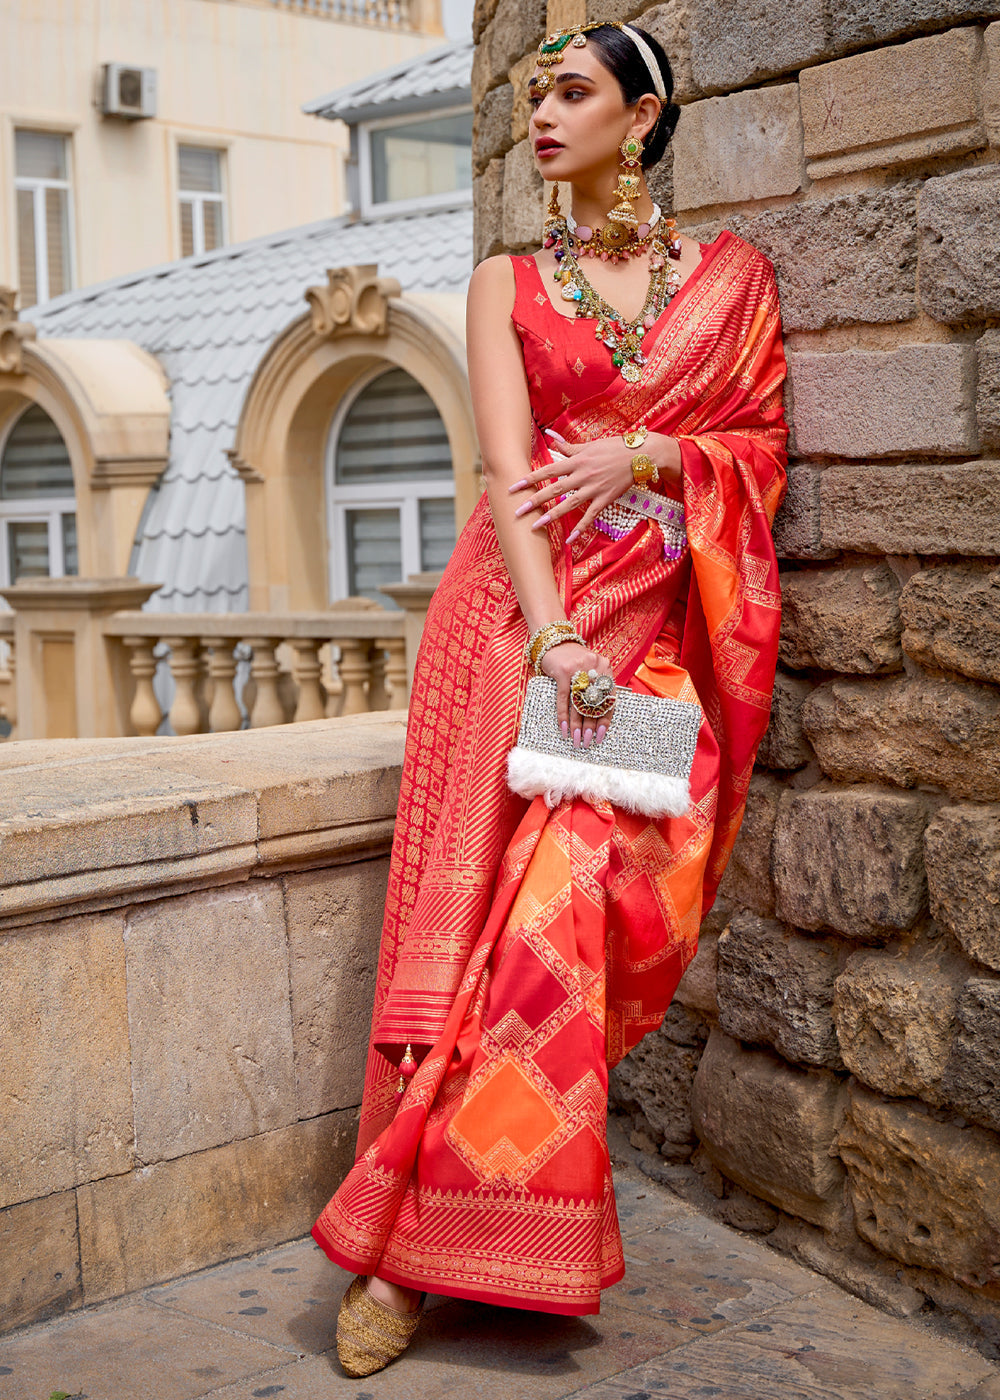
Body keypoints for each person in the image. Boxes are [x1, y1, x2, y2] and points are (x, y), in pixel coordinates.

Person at [312, 19, 788, 1378]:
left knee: (567, 910)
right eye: (532, 94)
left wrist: (649, 450)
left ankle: (442, 1232)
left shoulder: (734, 283)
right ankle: (408, 1255)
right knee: (466, 938)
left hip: (663, 636)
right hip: (520, 629)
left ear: (644, 116)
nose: (539, 116)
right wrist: (556, 640)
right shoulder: (505, 280)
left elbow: (756, 450)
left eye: (571, 92)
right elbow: (509, 478)